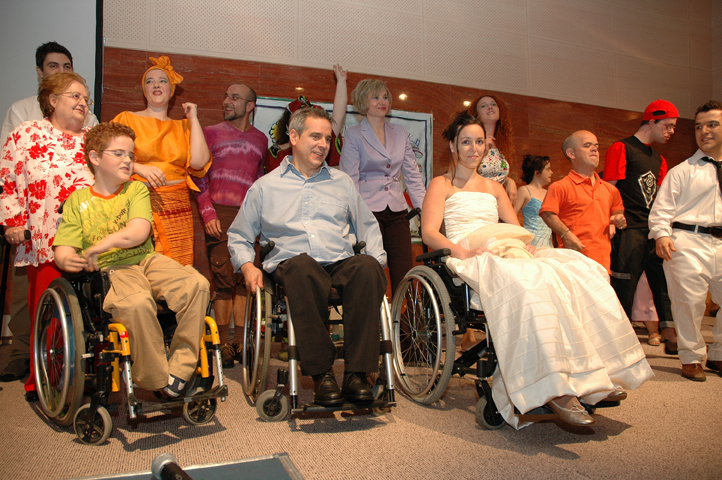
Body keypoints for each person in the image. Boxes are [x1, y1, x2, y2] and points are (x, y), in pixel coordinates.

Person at [422, 113, 652, 429]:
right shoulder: (441, 184)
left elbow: (515, 228)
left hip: (503, 245)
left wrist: (526, 244)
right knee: (528, 283)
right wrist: (466, 252)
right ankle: (554, 387)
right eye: (466, 142)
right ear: (452, 146)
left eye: (479, 142)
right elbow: (429, 233)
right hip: (467, 252)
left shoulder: (494, 187)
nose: (474, 149)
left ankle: (594, 375)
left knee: (579, 271)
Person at [228, 107, 387, 406]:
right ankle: (322, 374)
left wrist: (377, 261)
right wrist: (247, 265)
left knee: (368, 267)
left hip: (339, 260)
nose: (323, 144)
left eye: (327, 138)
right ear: (294, 137)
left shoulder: (342, 183)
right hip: (293, 264)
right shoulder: (265, 187)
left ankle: (357, 374)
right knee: (302, 267)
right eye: (315, 136)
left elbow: (368, 226)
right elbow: (239, 234)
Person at [53, 122, 210, 396]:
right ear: (94, 157)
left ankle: (180, 369)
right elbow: (63, 250)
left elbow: (139, 231)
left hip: (147, 259)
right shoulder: (77, 201)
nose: (127, 160)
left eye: (130, 155)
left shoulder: (135, 190)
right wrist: (68, 259)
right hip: (113, 269)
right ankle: (155, 377)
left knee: (197, 284)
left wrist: (100, 245)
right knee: (137, 303)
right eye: (119, 154)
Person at [0, 41, 98, 383]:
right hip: (44, 238)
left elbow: (117, 170)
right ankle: (47, 379)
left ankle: (85, 376)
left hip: (90, 239)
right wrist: (13, 222)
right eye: (75, 96)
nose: (83, 103)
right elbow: (7, 179)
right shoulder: (27, 134)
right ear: (53, 99)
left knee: (89, 313)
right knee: (48, 312)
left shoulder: (93, 139)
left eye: (86, 99)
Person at [648, 100, 722, 382]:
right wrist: (662, 234)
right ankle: (691, 358)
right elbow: (661, 209)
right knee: (689, 304)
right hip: (687, 242)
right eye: (699, 127)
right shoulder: (682, 171)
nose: (704, 131)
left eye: (712, 125)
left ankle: (719, 354)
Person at [112, 56, 211, 267]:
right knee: (143, 268)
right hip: (139, 203)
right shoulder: (127, 119)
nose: (156, 85)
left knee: (177, 270)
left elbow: (198, 162)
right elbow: (108, 157)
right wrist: (138, 167)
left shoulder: (183, 126)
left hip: (178, 208)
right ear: (144, 90)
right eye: (150, 81)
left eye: (162, 81)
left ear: (171, 90)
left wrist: (193, 119)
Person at [195, 83, 268, 368]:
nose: (227, 101)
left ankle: (239, 343)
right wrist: (208, 213)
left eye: (234, 97)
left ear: (250, 106)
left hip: (250, 216)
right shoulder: (210, 133)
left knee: (243, 279)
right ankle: (223, 344)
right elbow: (199, 178)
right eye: (225, 95)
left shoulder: (261, 139)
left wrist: (261, 217)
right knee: (223, 279)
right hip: (220, 213)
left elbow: (260, 180)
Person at [603, 99, 678, 353]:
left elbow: (661, 198)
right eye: (667, 126)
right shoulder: (622, 148)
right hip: (628, 228)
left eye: (673, 127)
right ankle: (619, 340)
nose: (671, 132)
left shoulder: (659, 159)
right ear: (651, 121)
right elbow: (609, 188)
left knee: (663, 281)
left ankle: (671, 334)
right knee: (624, 282)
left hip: (653, 229)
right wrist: (609, 220)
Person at [340, 78, 426, 295]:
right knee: (371, 270)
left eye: (385, 97)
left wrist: (424, 211)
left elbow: (412, 175)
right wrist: (354, 217)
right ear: (363, 101)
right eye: (376, 97)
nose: (382, 102)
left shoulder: (400, 132)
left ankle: (407, 317)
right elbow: (350, 180)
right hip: (367, 211)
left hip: (397, 210)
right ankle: (374, 315)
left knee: (404, 271)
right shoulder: (353, 134)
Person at [539, 130, 627, 272]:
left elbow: (617, 209)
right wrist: (565, 234)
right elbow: (547, 213)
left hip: (603, 263)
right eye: (587, 145)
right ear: (571, 153)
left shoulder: (610, 190)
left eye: (596, 146)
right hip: (572, 263)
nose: (594, 149)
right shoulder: (560, 187)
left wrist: (618, 218)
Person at [266, 64, 348, 172]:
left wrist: (341, 81)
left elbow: (338, 116)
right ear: (287, 127)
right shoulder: (275, 153)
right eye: (297, 120)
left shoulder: (322, 145)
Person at [466, 94, 517, 203]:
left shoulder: (502, 144)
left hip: (497, 202)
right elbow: (462, 173)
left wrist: (508, 181)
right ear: (476, 116)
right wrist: (482, 151)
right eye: (483, 106)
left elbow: (495, 175)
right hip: (476, 201)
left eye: (493, 104)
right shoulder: (471, 142)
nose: (490, 107)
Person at [513, 154, 553, 248]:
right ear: (537, 172)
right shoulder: (524, 190)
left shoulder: (548, 193)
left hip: (548, 244)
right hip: (531, 243)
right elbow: (512, 214)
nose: (551, 172)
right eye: (548, 169)